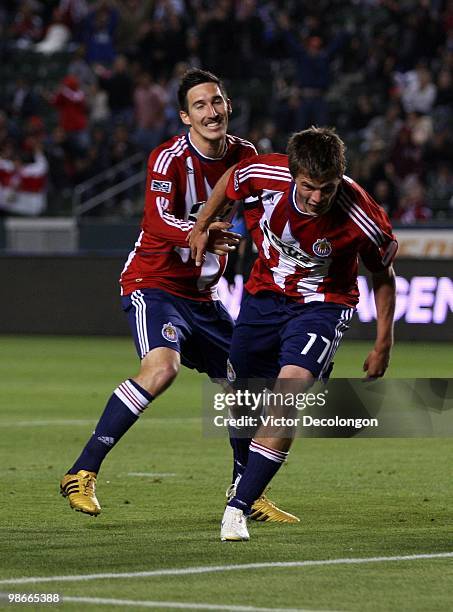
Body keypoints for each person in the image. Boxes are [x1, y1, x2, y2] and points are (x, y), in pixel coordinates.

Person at [60, 68, 298, 524]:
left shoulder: (245, 154)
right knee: (162, 369)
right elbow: (155, 220)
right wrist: (204, 232)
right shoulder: (169, 158)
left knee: (243, 384)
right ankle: (82, 470)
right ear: (186, 116)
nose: (213, 111)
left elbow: (263, 206)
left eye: (218, 101)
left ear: (228, 106)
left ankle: (245, 492)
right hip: (154, 282)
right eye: (202, 105)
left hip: (203, 295)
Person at [189, 127, 397, 541]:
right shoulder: (263, 174)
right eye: (308, 187)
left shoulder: (363, 215)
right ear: (292, 172)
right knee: (243, 395)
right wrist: (201, 225)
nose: (318, 198)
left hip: (323, 305)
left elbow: (382, 273)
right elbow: (229, 184)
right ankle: (245, 479)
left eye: (328, 188)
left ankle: (238, 508)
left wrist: (383, 341)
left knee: (289, 392)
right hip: (262, 298)